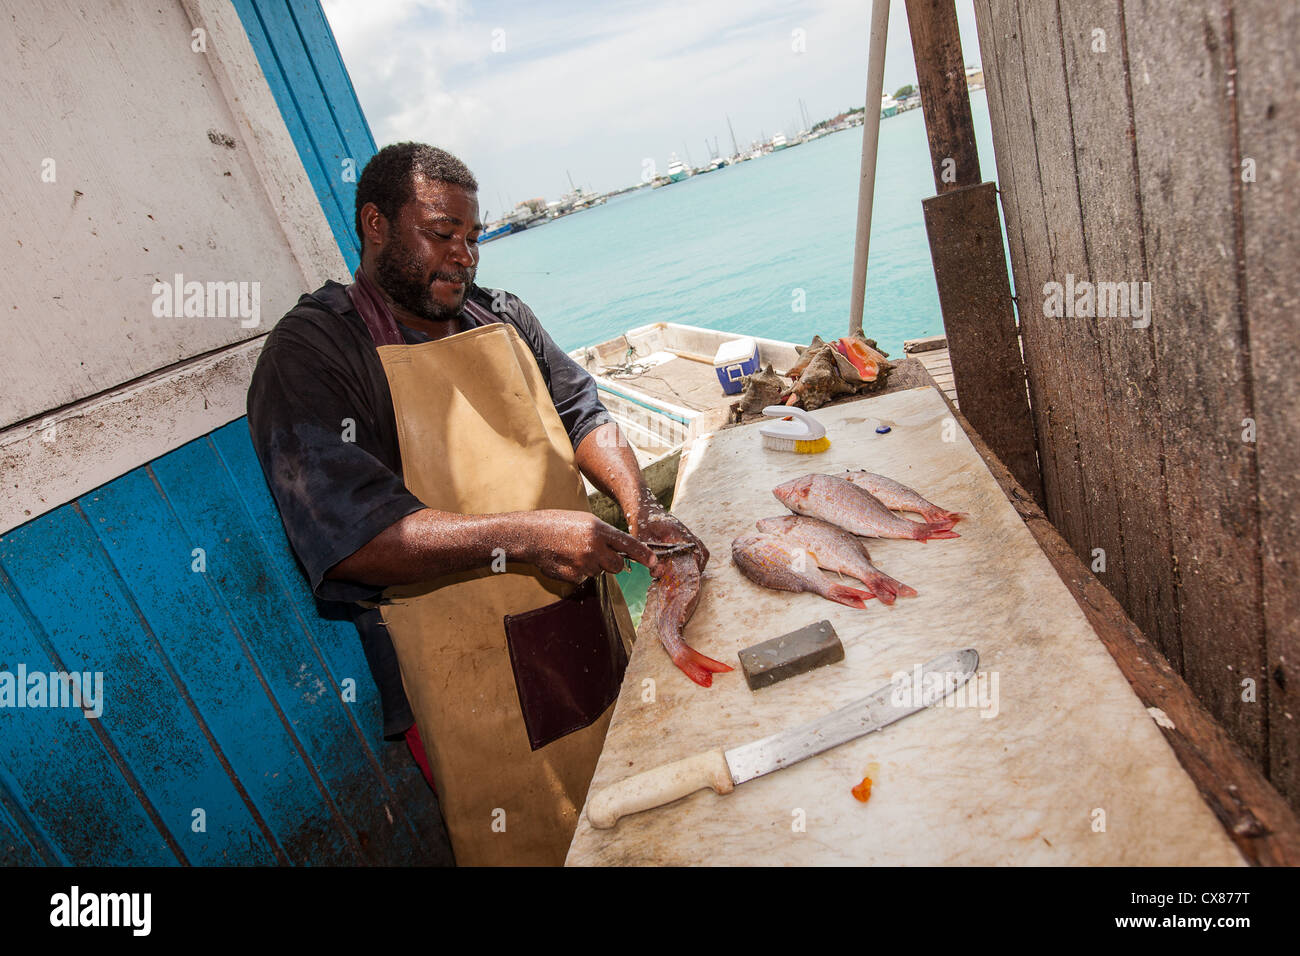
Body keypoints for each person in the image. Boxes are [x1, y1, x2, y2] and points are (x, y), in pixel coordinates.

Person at [246, 142, 707, 866]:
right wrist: (527, 536)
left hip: (583, 631)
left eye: (473, 236)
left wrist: (638, 501)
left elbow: (587, 414)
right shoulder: (315, 352)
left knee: (639, 815)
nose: (463, 256)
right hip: (462, 675)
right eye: (440, 234)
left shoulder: (501, 316)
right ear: (375, 223)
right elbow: (354, 537)